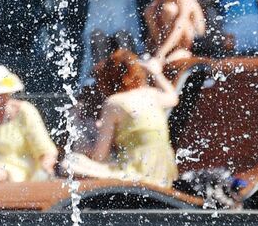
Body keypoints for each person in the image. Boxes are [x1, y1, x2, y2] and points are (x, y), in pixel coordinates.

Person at [63, 51, 179, 186]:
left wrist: (86, 145)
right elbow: (173, 98)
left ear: (106, 81)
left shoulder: (114, 103)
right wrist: (155, 72)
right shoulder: (151, 94)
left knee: (70, 162)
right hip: (164, 173)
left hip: (138, 175)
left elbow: (100, 156)